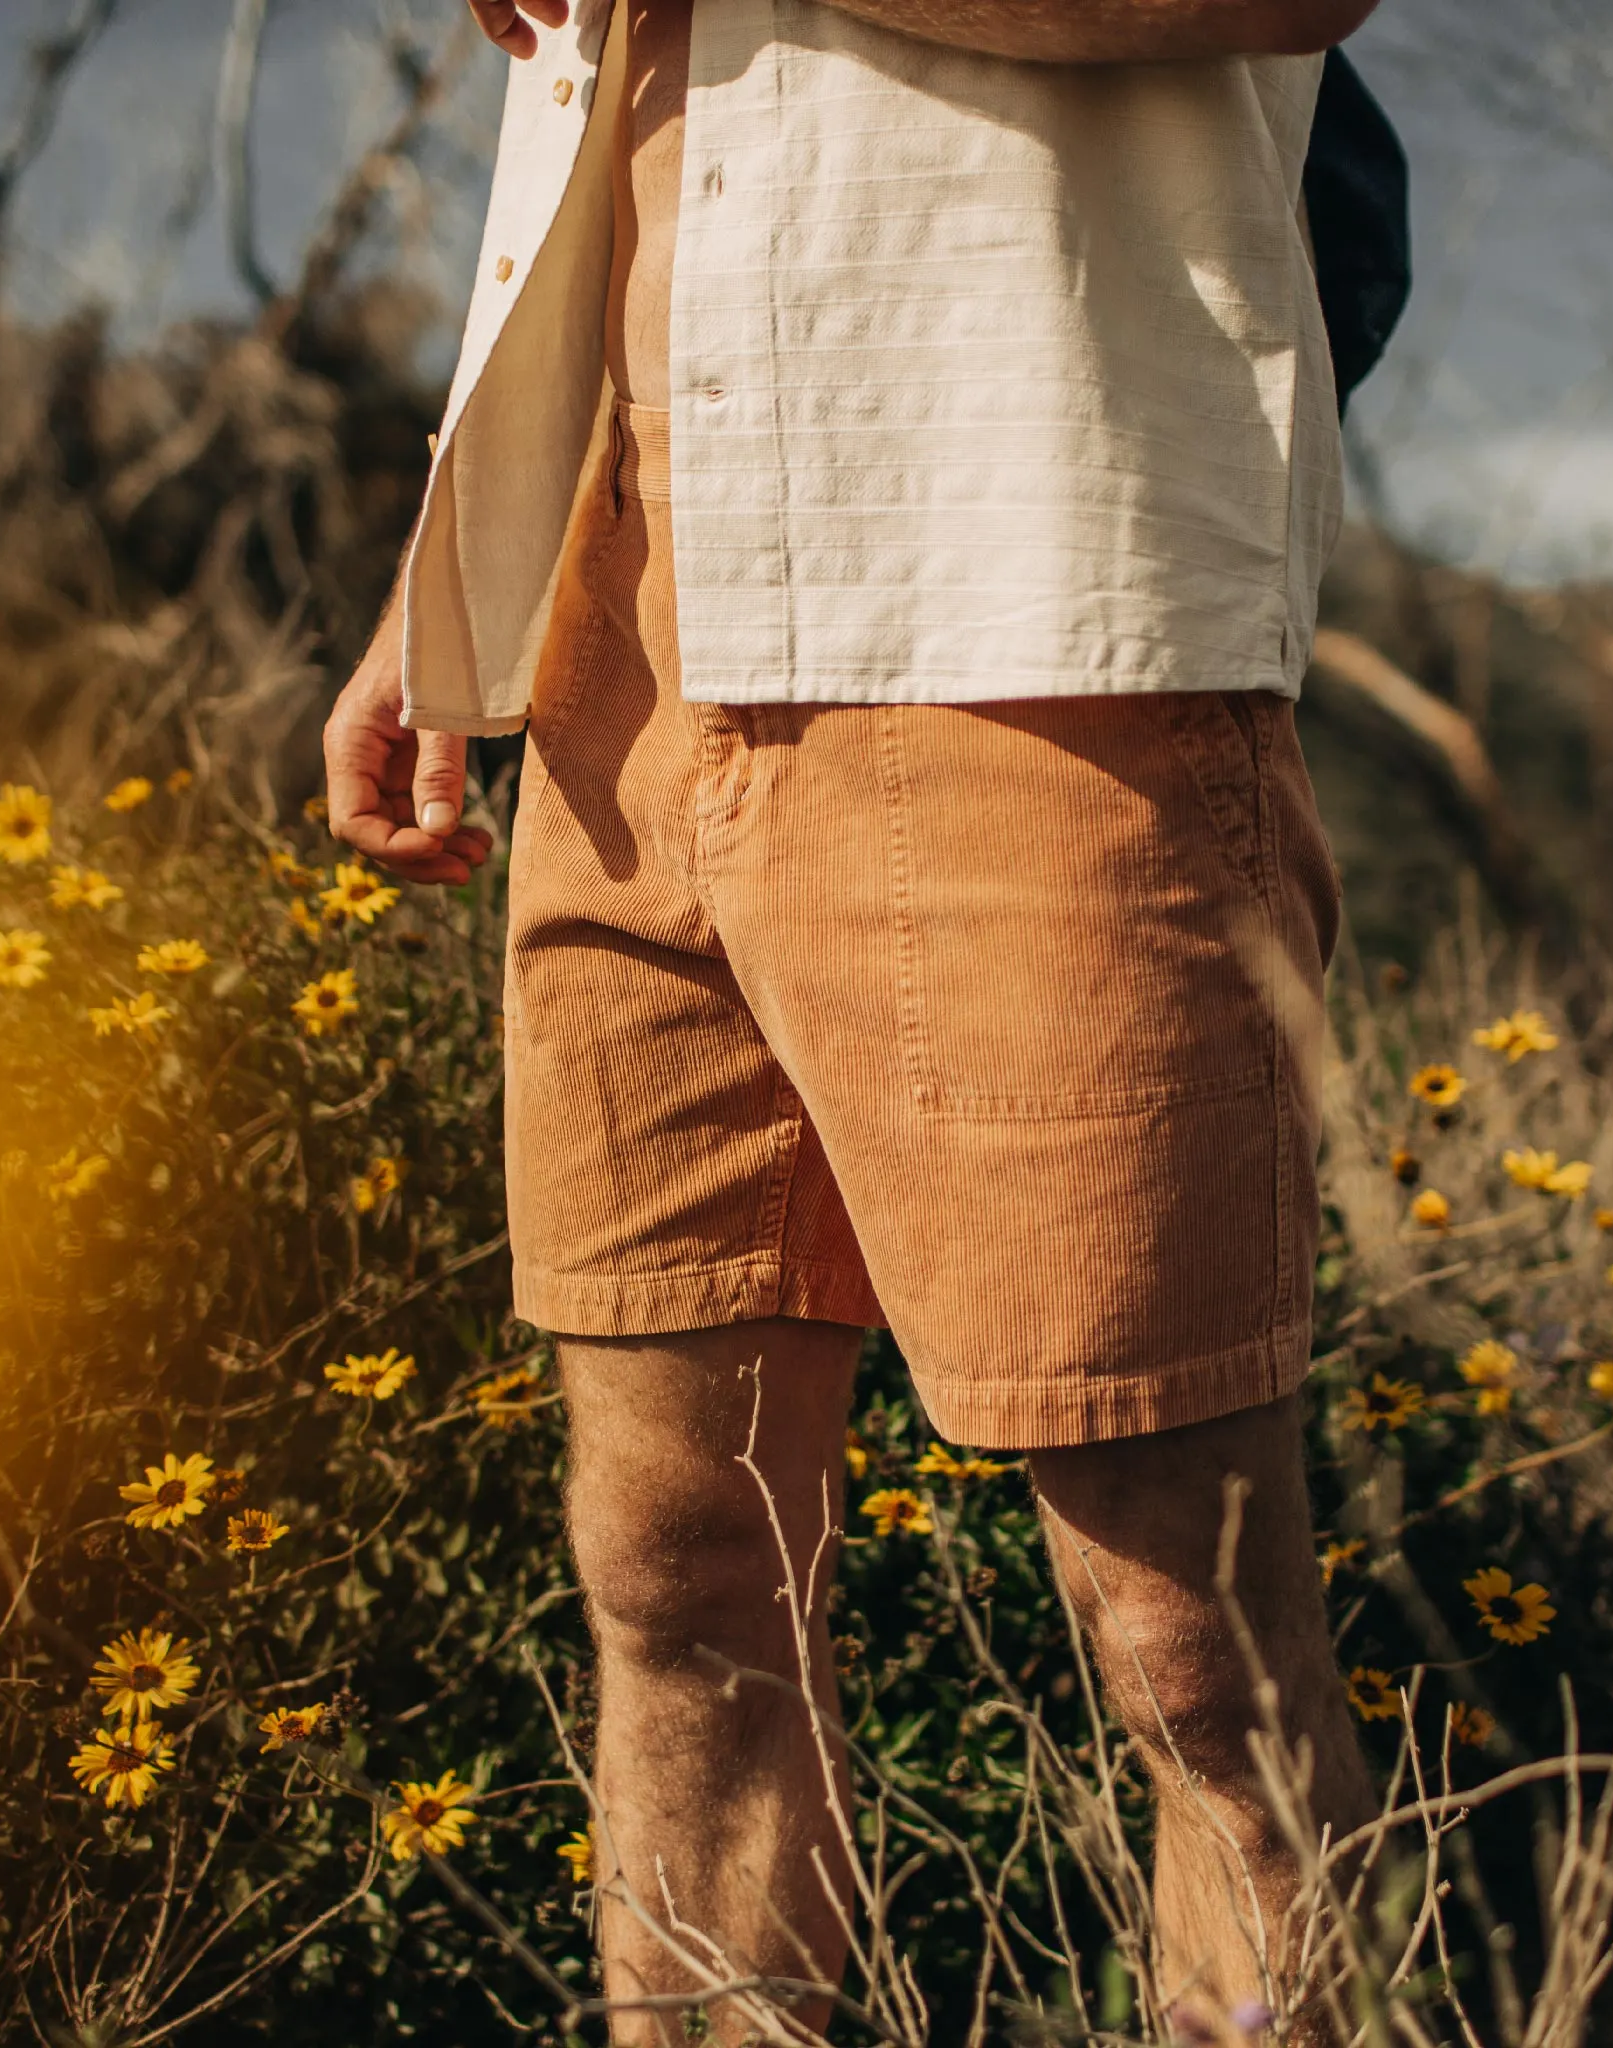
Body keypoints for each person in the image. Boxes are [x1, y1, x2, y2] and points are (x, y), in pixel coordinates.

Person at [325, 0, 1382, 2035]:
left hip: (1035, 625)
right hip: (619, 667)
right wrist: (447, 568)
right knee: (675, 1580)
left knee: (1191, 1641)